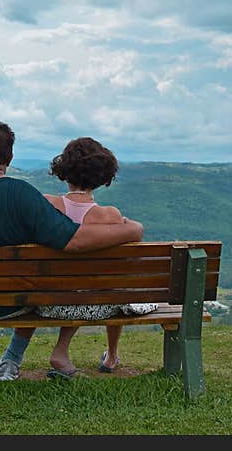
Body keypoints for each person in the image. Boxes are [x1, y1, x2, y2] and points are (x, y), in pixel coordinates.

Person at [0, 119, 144, 383]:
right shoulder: (23, 195)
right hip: (13, 304)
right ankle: (11, 359)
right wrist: (133, 230)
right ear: (9, 157)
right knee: (36, 279)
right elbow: (74, 241)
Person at [38, 137, 157, 378]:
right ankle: (112, 355)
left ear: (64, 169)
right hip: (98, 305)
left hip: (48, 302)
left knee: (79, 284)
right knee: (117, 284)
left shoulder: (47, 204)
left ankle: (61, 351)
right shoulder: (109, 216)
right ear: (102, 176)